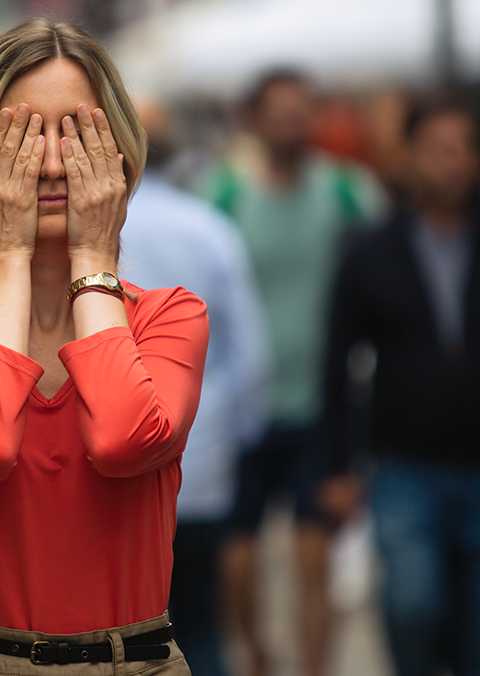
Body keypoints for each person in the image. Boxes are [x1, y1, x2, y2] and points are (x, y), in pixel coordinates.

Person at [0, 18, 209, 676]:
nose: (53, 163)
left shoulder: (172, 317)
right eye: (26, 135)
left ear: (119, 152)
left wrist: (92, 255)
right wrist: (6, 261)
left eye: (77, 133)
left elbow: (124, 439)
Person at [194, 68, 387, 676]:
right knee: (237, 568)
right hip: (242, 411)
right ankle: (255, 656)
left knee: (313, 561)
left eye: (301, 111)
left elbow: (385, 270)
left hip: (319, 408)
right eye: (277, 112)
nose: (290, 124)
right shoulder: (222, 194)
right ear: (253, 119)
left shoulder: (348, 192)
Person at [320, 95, 480, 676]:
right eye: (440, 150)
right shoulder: (371, 252)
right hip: (403, 466)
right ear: (410, 156)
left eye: (465, 148)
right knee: (413, 604)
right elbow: (336, 362)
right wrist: (338, 467)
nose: (454, 163)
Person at [121, 104, 269, 676]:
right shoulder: (209, 228)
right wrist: (241, 436)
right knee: (201, 624)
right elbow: (250, 352)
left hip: (110, 477)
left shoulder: (70, 236)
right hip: (200, 461)